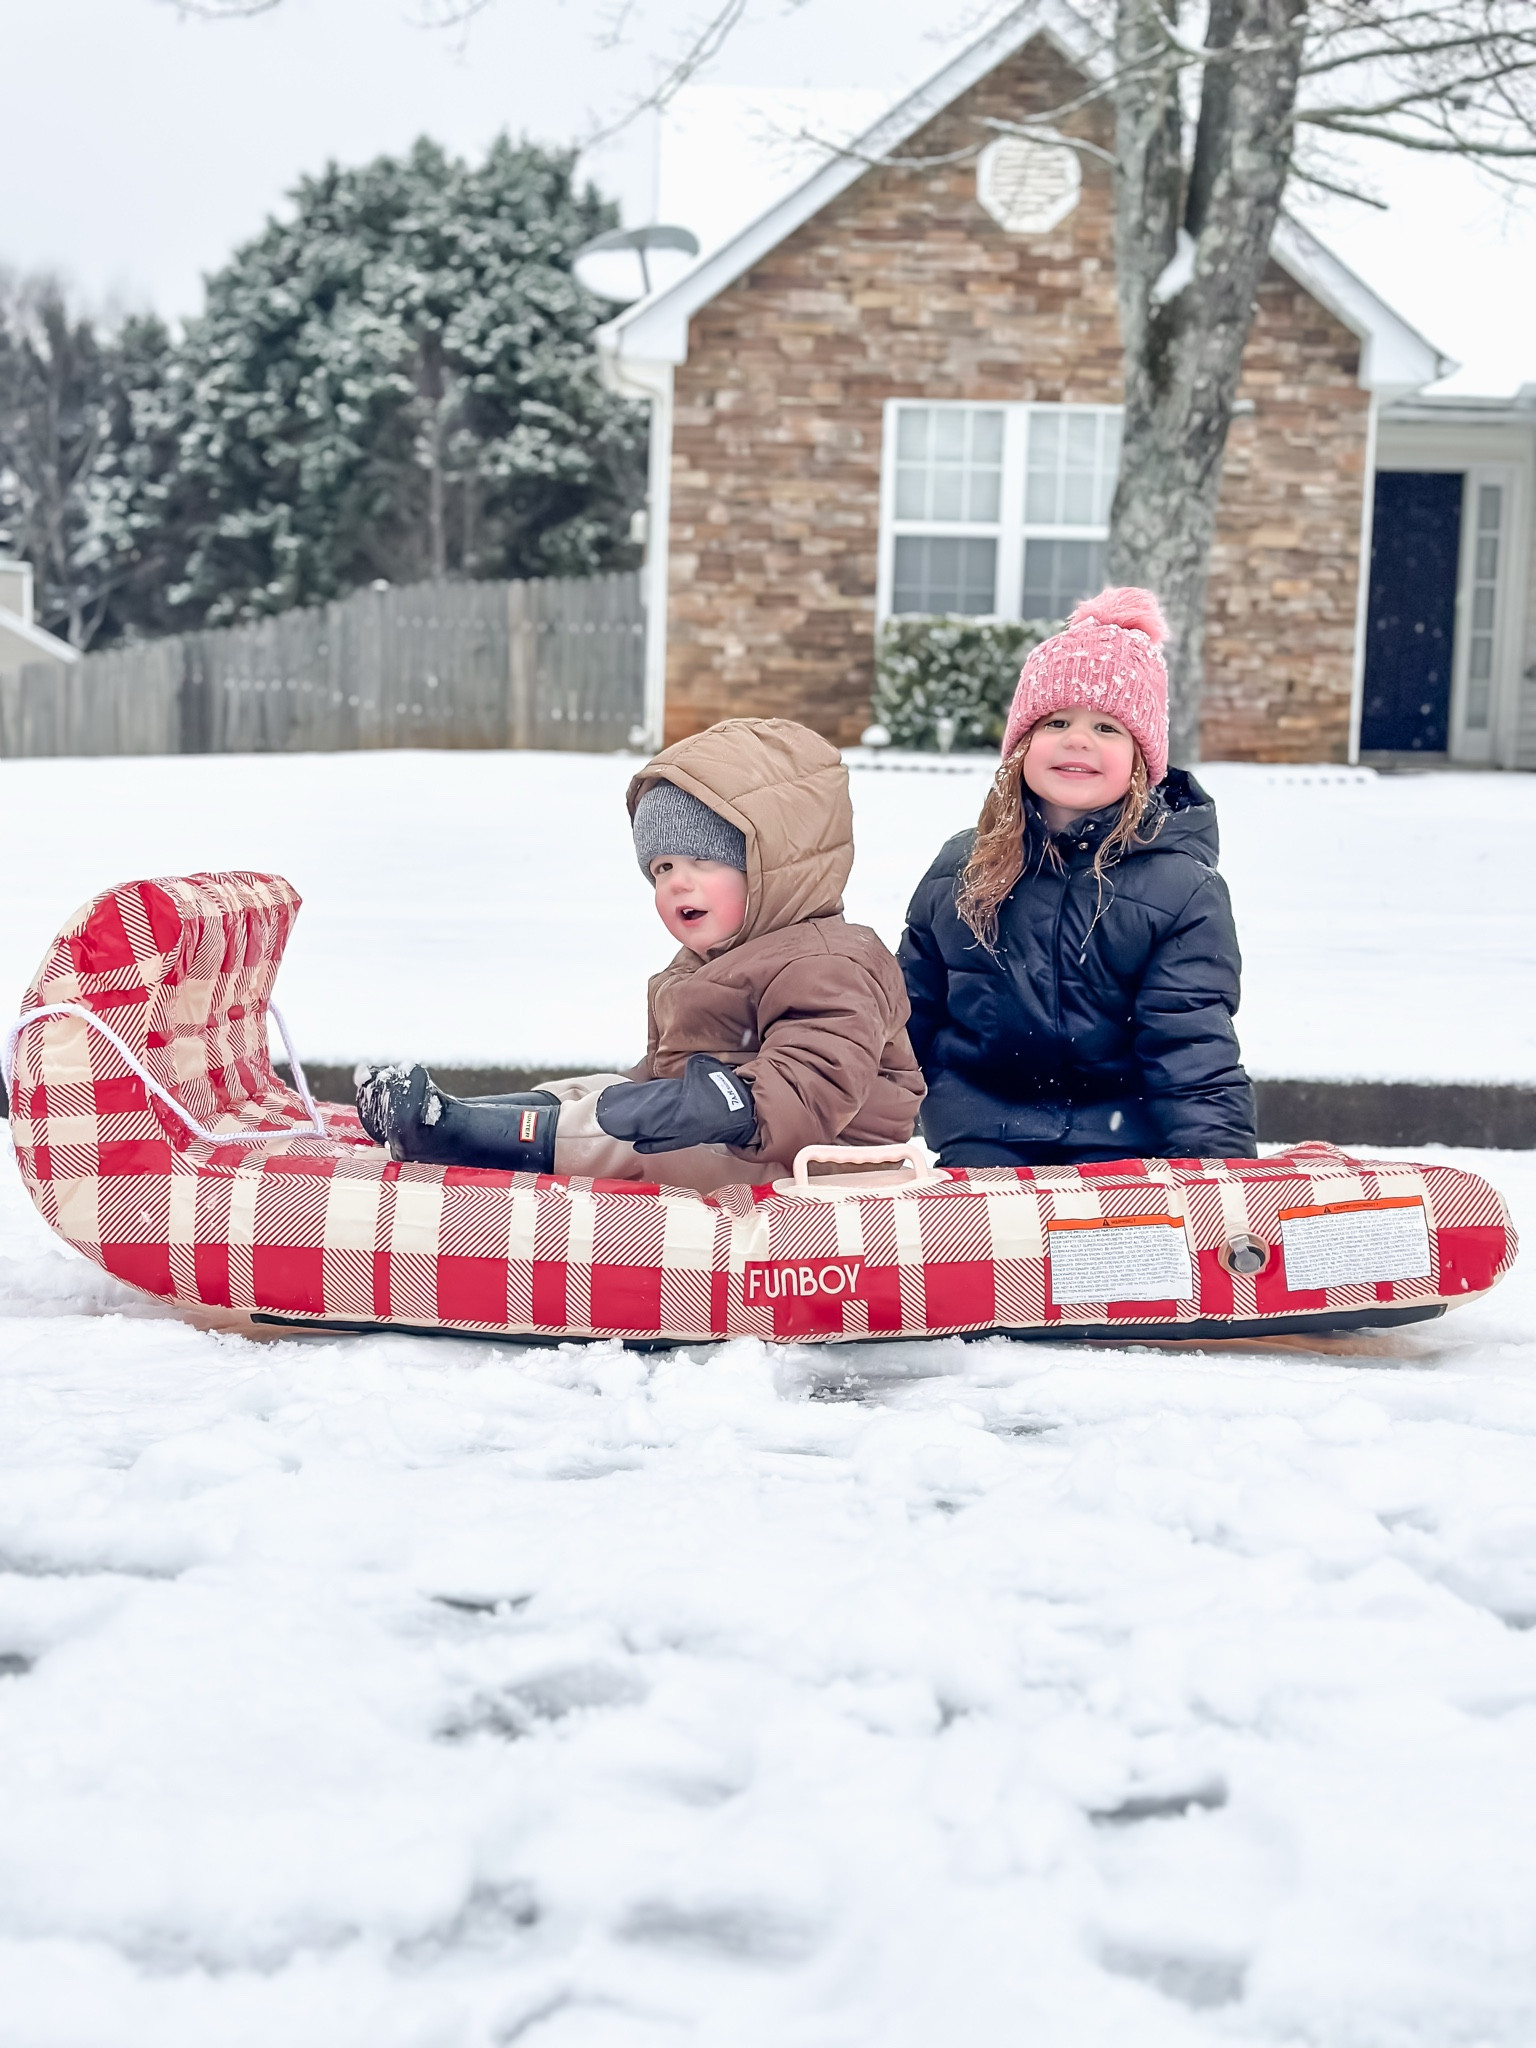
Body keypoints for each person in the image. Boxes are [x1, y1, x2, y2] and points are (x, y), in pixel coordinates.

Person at [357, 716, 925, 1191]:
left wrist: (728, 1104)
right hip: (744, 1146)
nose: (677, 883)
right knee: (608, 1093)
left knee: (638, 1140)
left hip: (826, 1167)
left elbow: (814, 1084)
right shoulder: (711, 964)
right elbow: (664, 1074)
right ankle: (474, 1114)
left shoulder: (830, 962)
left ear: (776, 867)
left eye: (702, 861)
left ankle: (459, 1133)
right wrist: (632, 1095)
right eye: (662, 868)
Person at [898, 587, 1256, 1167]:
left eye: (1108, 728)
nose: (1078, 739)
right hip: (985, 1137)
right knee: (991, 1251)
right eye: (1056, 720)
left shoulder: (1180, 891)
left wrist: (1219, 1177)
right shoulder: (961, 871)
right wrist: (855, 1136)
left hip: (1124, 1147)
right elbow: (907, 1020)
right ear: (1021, 746)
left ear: (1143, 760)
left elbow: (1191, 1046)